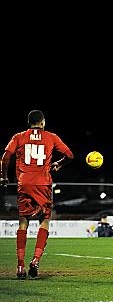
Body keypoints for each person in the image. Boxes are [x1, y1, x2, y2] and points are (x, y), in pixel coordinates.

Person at [0, 110, 74, 279]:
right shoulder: (51, 137)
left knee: (23, 222)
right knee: (45, 220)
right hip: (43, 183)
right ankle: (35, 260)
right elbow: (69, 155)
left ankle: (20, 266)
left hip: (24, 182)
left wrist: (3, 176)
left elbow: (6, 156)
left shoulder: (18, 136)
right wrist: (59, 164)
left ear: (29, 122)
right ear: (42, 122)